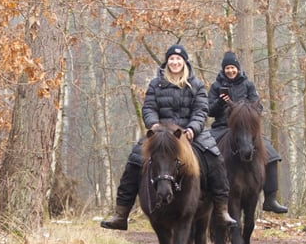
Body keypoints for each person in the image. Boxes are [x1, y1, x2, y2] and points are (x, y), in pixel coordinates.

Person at [101, 44, 238, 231]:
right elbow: (149, 108)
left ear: (184, 63)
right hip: (161, 134)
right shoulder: (155, 84)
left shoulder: (196, 85)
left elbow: (201, 110)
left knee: (215, 159)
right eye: (171, 59)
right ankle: (121, 213)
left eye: (178, 59)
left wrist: (192, 128)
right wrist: (154, 125)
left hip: (189, 133)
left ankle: (221, 210)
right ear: (167, 62)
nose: (174, 62)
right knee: (134, 160)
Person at [207, 50, 288, 214]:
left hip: (246, 129)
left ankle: (270, 198)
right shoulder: (216, 86)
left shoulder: (248, 84)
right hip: (222, 128)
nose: (230, 70)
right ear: (223, 70)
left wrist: (250, 110)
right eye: (227, 68)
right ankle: (205, 191)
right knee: (204, 151)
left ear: (238, 68)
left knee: (271, 154)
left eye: (233, 67)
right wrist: (220, 102)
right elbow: (209, 110)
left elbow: (258, 106)